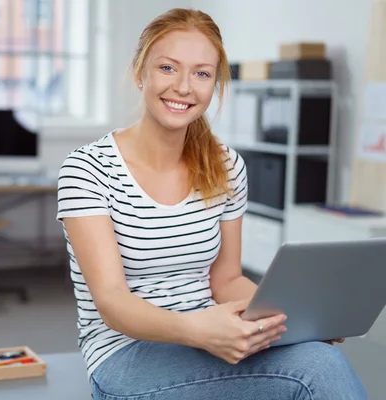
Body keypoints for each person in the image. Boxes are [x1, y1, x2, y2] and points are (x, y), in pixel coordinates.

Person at [55, 7, 368, 400]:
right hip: (126, 355)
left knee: (315, 352)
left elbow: (226, 280)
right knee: (316, 370)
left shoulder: (225, 166)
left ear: (214, 84)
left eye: (202, 73)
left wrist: (293, 322)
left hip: (210, 337)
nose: (184, 87)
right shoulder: (88, 168)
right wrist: (198, 330)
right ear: (140, 73)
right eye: (168, 68)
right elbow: (111, 301)